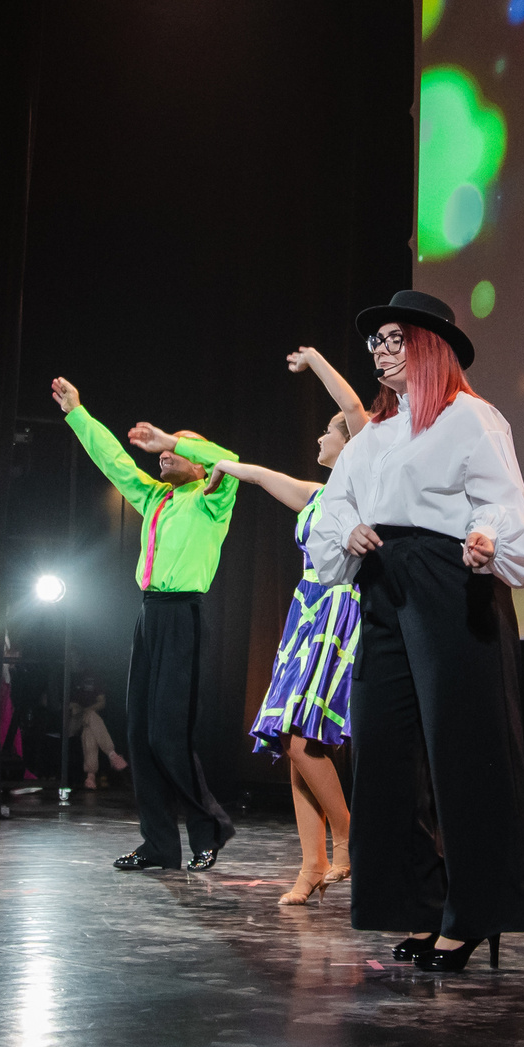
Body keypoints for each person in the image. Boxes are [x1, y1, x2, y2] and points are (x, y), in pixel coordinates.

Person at [311, 290, 524, 972]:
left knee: (465, 750)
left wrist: (485, 538)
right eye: (375, 343)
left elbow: (504, 505)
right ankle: (421, 900)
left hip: (452, 582)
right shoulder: (373, 439)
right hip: (383, 583)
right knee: (385, 751)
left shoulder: (472, 418)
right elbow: (332, 515)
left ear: (428, 346)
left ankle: (475, 911)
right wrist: (348, 532)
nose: (381, 352)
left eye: (393, 339)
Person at [202, 347, 374, 905]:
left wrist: (316, 361)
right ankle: (312, 862)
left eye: (330, 434)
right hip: (304, 618)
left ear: (348, 444)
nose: (321, 440)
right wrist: (219, 465)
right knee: (287, 741)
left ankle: (348, 836)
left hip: (338, 613)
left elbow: (350, 403)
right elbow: (259, 475)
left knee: (305, 742)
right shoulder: (317, 495)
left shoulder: (363, 483)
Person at [51, 375, 242, 872]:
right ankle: (159, 844)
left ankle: (209, 828)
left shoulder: (212, 497)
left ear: (199, 463)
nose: (163, 456)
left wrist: (173, 439)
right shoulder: (155, 497)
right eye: (161, 451)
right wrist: (78, 412)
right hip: (148, 617)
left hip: (184, 617)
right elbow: (113, 461)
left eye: (176, 451)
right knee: (138, 735)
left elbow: (234, 462)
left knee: (167, 736)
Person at [69, 678, 127, 789]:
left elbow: (102, 702)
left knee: (89, 730)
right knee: (91, 716)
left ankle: (91, 776)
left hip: (90, 721)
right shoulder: (72, 680)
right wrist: (86, 710)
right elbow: (72, 707)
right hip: (73, 721)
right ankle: (112, 754)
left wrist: (88, 711)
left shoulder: (95, 680)